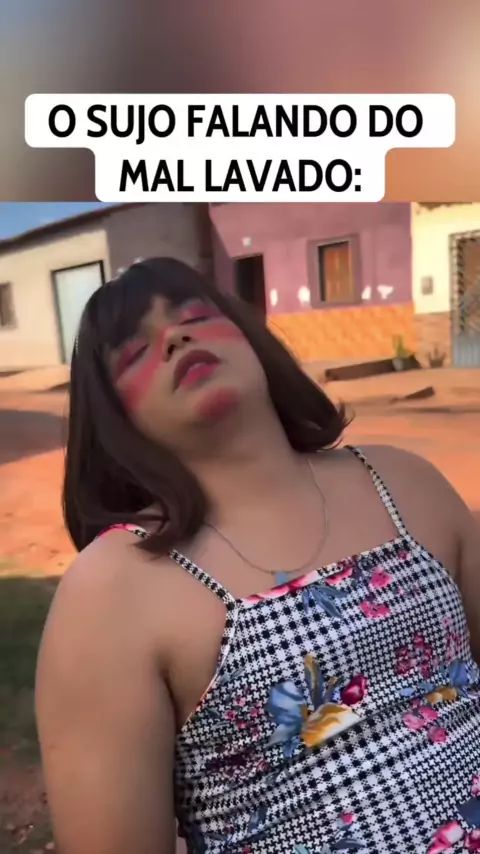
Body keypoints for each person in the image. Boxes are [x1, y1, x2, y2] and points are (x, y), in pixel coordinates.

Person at [36, 257, 480, 854]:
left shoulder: (407, 483)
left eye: (195, 317)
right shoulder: (113, 589)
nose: (176, 339)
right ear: (112, 418)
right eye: (135, 352)